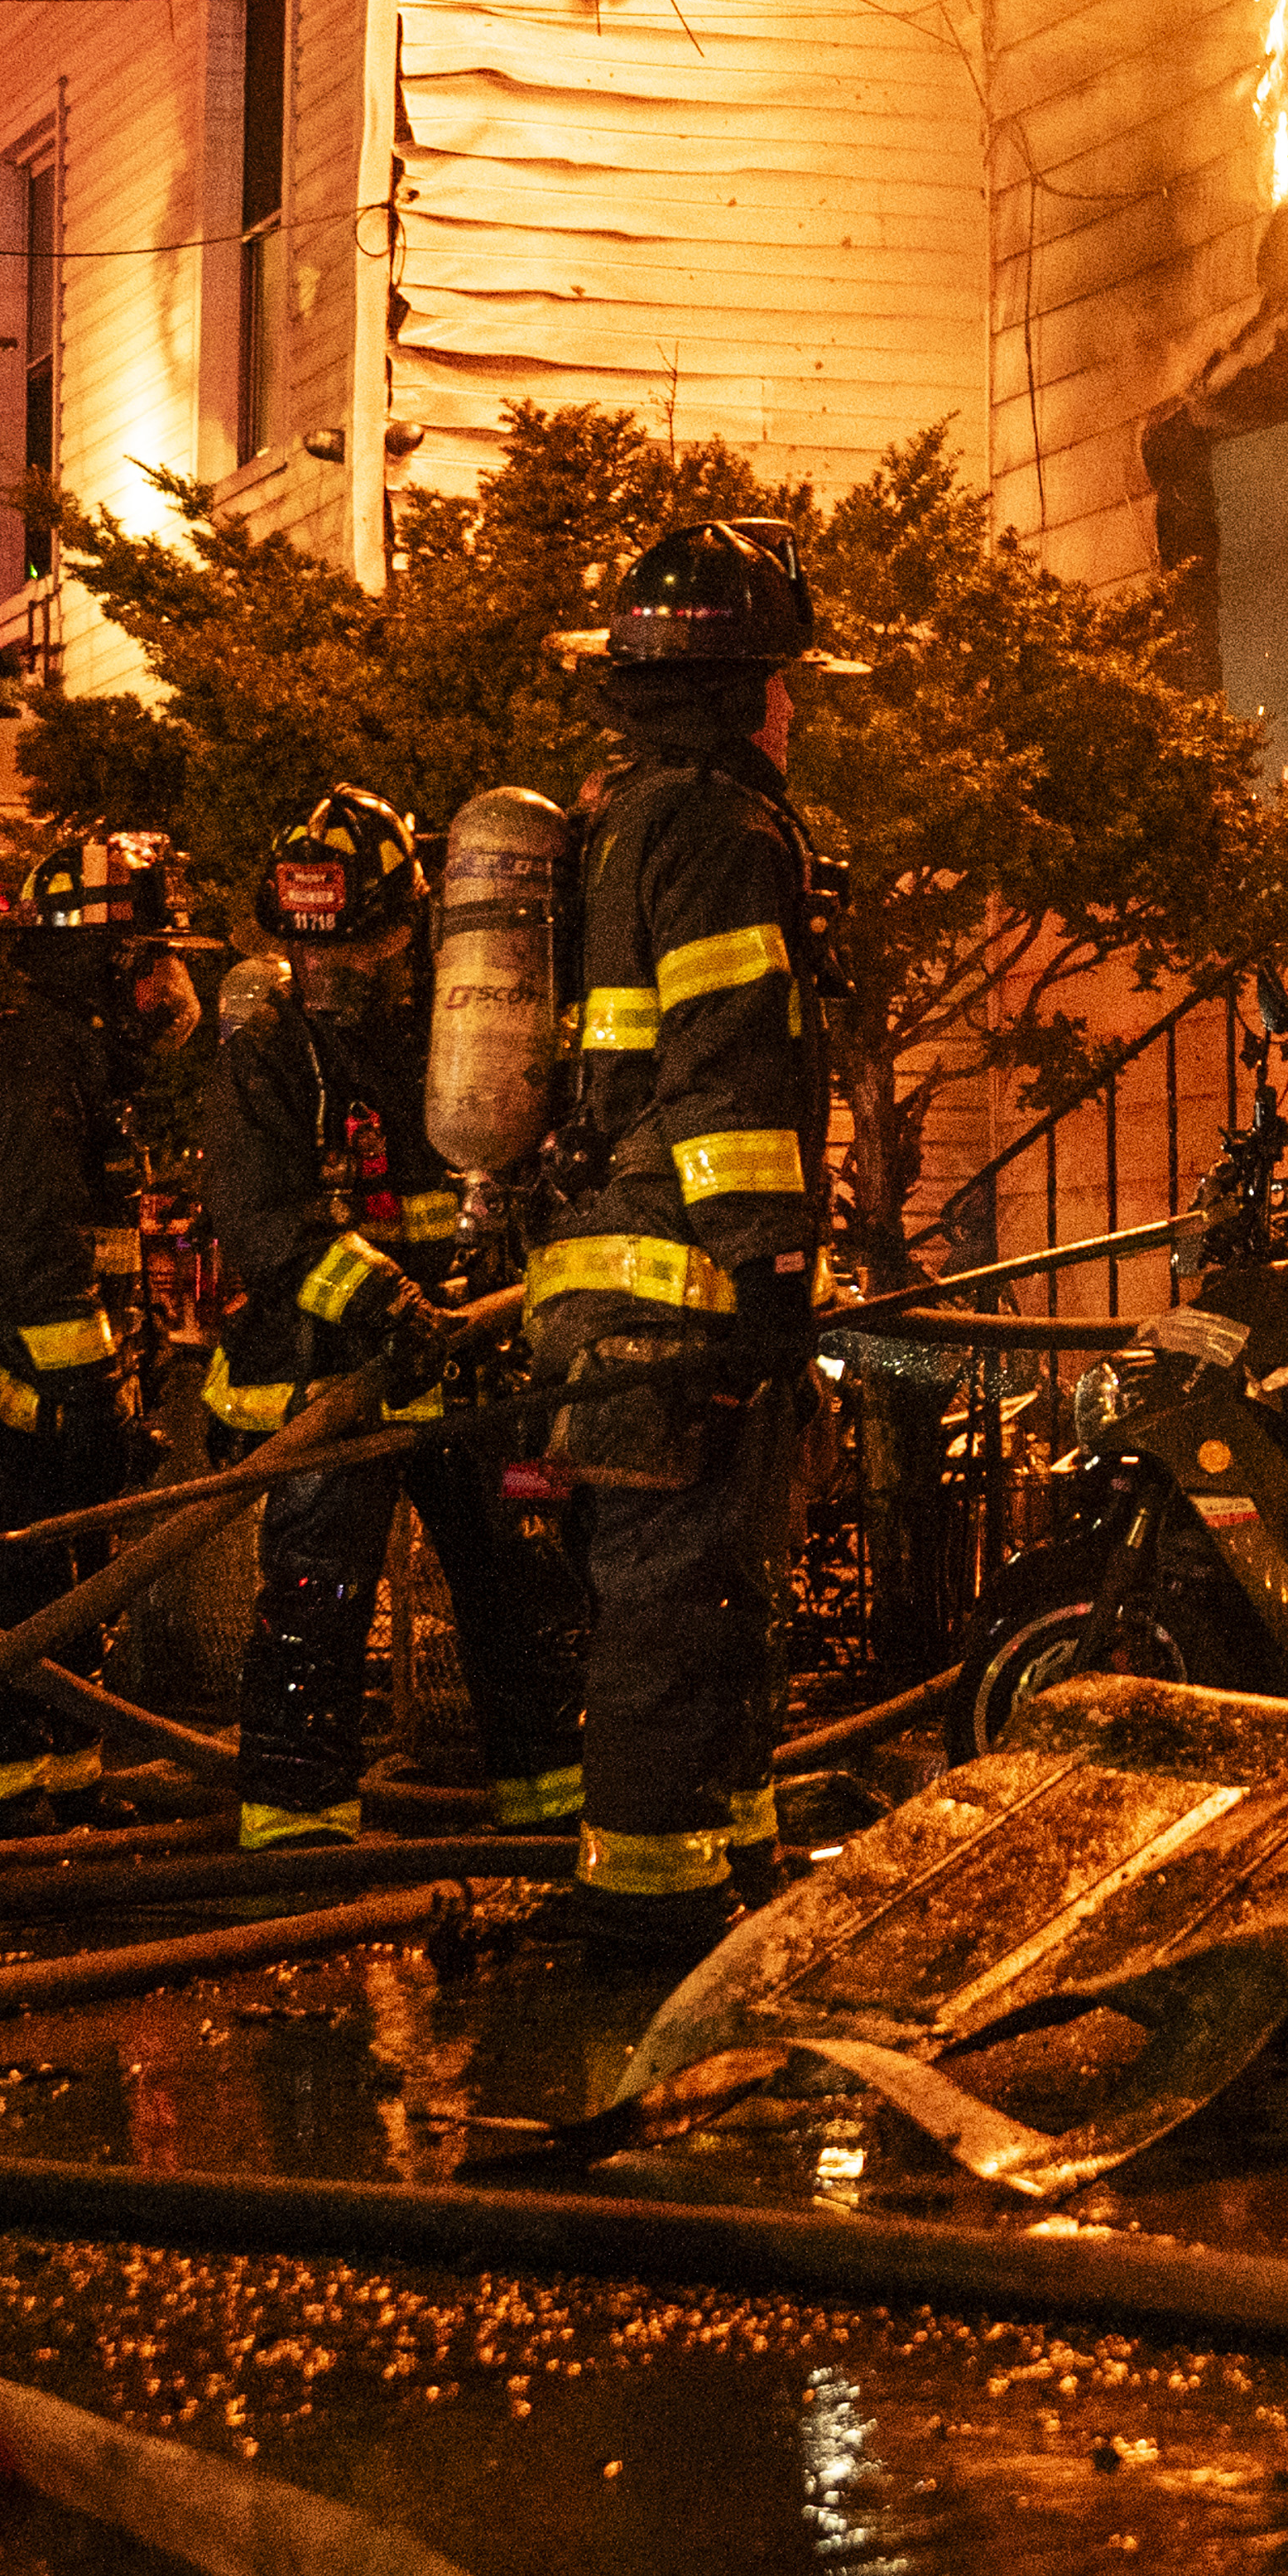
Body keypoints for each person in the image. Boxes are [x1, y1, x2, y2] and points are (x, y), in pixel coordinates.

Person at [524, 518, 853, 1967]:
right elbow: (728, 1062)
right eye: (784, 682)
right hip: (683, 1271)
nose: (795, 709)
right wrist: (771, 1260)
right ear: (744, 690)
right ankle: (646, 1912)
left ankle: (720, 1861)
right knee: (675, 1593)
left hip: (626, 1266)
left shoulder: (630, 817)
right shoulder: (718, 830)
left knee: (716, 1583)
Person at [203, 784, 585, 1853]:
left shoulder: (468, 1020)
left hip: (470, 1361)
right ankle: (297, 1830)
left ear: (410, 923)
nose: (332, 968)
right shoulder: (272, 1043)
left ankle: (550, 1816)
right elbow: (260, 1216)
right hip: (337, 1373)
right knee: (315, 1601)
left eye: (357, 942)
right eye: (307, 945)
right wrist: (387, 1300)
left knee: (522, 1582)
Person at [0, 826, 204, 1833]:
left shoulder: (78, 1065)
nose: (173, 988)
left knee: (64, 1593)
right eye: (156, 961)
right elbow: (37, 1255)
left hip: (37, 1389)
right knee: (5, 1597)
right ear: (105, 962)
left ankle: (61, 1784)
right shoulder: (34, 1076)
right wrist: (85, 1395)